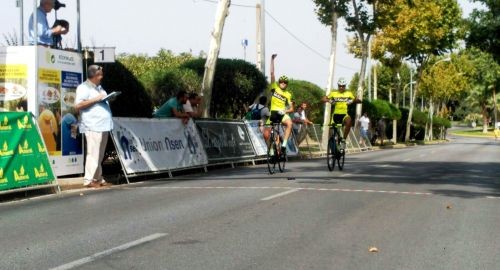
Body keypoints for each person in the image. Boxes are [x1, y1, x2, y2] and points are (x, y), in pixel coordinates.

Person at [75, 65, 113, 188]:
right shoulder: (84, 87)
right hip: (93, 125)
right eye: (100, 74)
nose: (102, 76)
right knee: (93, 153)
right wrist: (97, 99)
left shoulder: (99, 88)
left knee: (99, 154)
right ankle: (88, 180)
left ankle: (97, 178)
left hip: (103, 125)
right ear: (95, 75)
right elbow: (78, 105)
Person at [265, 53, 294, 153]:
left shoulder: (288, 94)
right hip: (273, 113)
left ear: (287, 84)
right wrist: (272, 60)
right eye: (281, 81)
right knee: (266, 134)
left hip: (282, 113)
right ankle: (271, 151)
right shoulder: (274, 88)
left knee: (290, 123)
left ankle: (284, 144)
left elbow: (291, 108)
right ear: (279, 82)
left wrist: (284, 111)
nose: (283, 83)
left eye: (285, 82)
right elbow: (272, 73)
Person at [321, 77, 361, 148]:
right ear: (338, 85)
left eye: (343, 86)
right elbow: (323, 98)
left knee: (349, 121)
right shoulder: (333, 93)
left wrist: (352, 101)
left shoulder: (348, 93)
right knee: (331, 131)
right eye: (340, 86)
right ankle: (332, 146)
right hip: (335, 115)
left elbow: (359, 100)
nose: (341, 87)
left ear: (345, 86)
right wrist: (329, 101)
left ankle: (343, 140)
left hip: (344, 114)